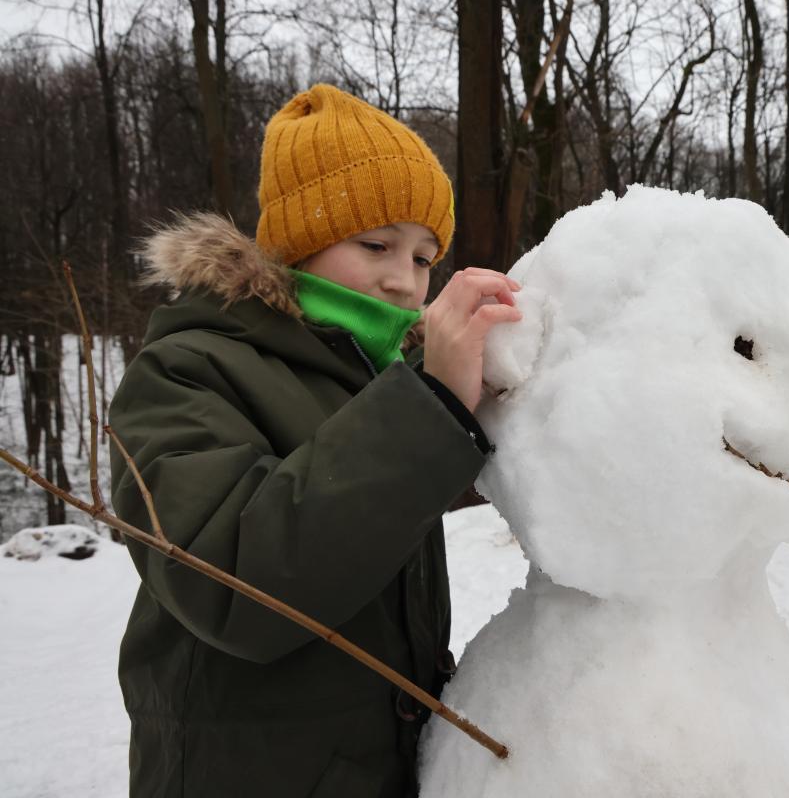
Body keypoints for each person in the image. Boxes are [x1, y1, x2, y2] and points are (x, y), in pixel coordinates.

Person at [108, 83, 521, 797]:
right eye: (377, 244)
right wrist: (428, 406)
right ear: (298, 241)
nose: (404, 282)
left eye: (424, 257)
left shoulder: (380, 380)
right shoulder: (188, 368)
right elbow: (234, 586)